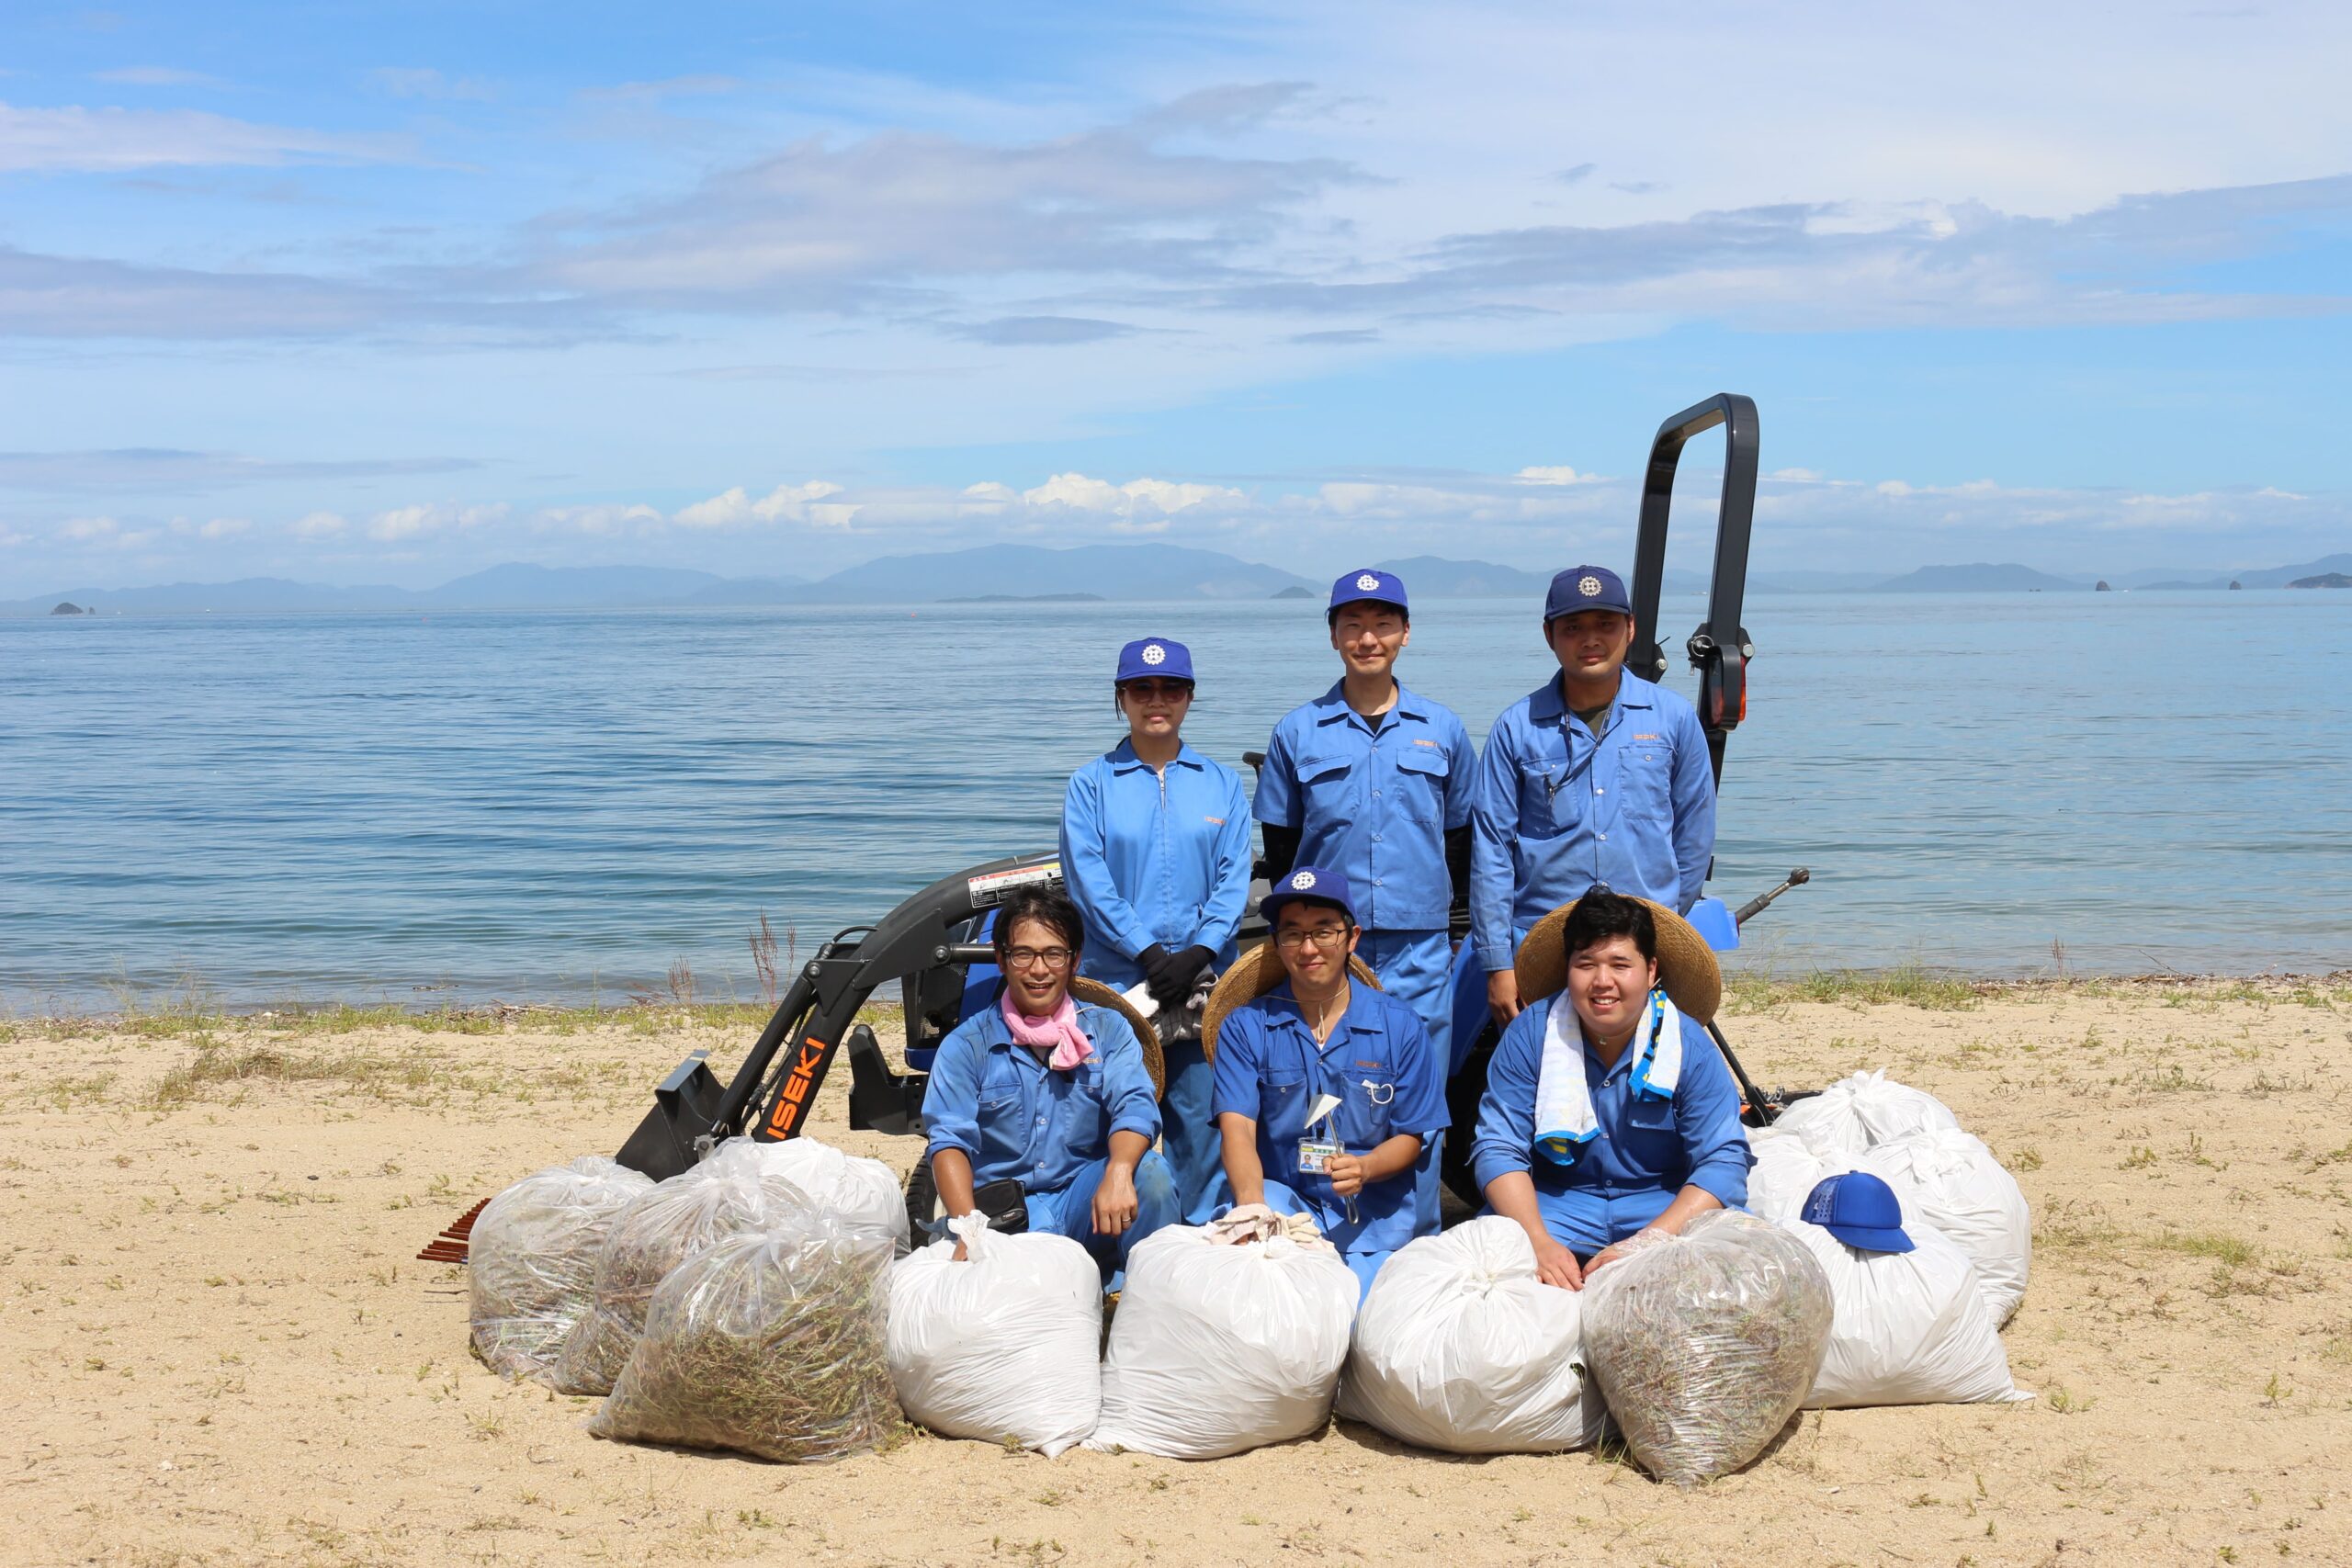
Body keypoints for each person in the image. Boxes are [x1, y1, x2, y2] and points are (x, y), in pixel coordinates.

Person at [1252, 568, 1475, 1233]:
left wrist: (1459, 929)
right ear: (1333, 636)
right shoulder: (1299, 732)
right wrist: (1299, 936)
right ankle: (1327, 1229)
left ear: (1405, 634)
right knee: (1328, 1093)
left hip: (1418, 946)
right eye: (1352, 623)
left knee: (1419, 1097)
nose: (1367, 637)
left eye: (1382, 623)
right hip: (1327, 947)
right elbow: (1283, 847)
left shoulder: (1443, 729)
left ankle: (1417, 1234)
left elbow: (1460, 836)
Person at [1467, 565, 1717, 1038]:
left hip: (1641, 939)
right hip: (1542, 944)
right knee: (1545, 1081)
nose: (1590, 639)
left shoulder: (1673, 719)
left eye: (1605, 624)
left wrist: (1663, 917)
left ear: (1630, 629)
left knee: (1642, 1078)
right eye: (1573, 627)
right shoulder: (1515, 727)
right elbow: (1493, 851)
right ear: (1550, 635)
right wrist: (1498, 964)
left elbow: (1694, 834)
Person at [1060, 637, 1253, 1222]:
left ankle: (1200, 1249)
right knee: (1117, 1122)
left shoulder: (1220, 783)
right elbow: (1087, 878)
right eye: (1141, 689)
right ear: (1121, 698)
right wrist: (1145, 951)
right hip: (1119, 982)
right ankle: (1119, 1256)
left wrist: (1198, 951)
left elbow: (1234, 878)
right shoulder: (1091, 784)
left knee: (1202, 1126)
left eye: (1171, 688)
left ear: (1189, 696)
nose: (1156, 700)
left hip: (1200, 983)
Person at [1470, 889, 1749, 1289]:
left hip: (1664, 1207)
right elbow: (1498, 1148)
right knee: (1483, 1281)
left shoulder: (1688, 1043)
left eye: (1621, 965)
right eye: (1586, 964)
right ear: (1568, 969)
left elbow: (1723, 1161)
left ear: (1652, 971)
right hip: (1554, 1207)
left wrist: (1646, 1243)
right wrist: (1538, 1242)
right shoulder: (1531, 1033)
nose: (1603, 982)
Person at [1205, 866, 1448, 1300]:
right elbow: (1237, 1129)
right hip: (1284, 1205)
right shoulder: (1245, 1027)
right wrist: (1252, 1207)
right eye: (1293, 934)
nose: (1309, 947)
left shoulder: (1401, 1027)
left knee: (1366, 1323)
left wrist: (1366, 1167)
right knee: (1267, 1303)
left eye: (1324, 931)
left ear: (1351, 938)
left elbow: (1412, 1138)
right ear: (1277, 944)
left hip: (1376, 1223)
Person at [920, 886, 1181, 1280]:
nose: (1039, 970)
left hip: (1087, 1204)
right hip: (1008, 1214)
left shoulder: (1109, 1029)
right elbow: (949, 1141)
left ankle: (1148, 1294)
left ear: (1074, 961)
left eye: (1053, 954)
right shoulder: (965, 1046)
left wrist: (1120, 1171)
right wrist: (968, 1230)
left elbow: (1135, 1105)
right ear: (1002, 961)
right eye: (1023, 954)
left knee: (1153, 1175)